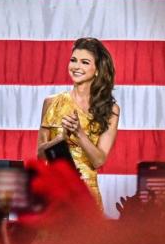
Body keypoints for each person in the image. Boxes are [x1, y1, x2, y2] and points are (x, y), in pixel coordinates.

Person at [36, 38, 120, 211]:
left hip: (86, 193)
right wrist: (61, 138)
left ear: (97, 69)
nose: (76, 66)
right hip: (56, 192)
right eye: (73, 60)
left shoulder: (110, 110)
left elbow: (98, 161)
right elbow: (40, 155)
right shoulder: (51, 103)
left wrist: (79, 134)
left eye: (85, 62)